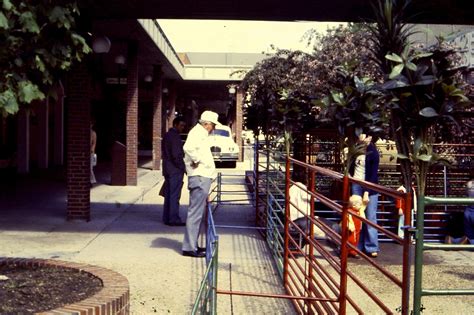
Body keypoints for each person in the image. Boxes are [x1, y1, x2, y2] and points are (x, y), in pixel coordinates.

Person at [181, 110, 219, 258]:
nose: (213, 128)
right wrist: (196, 160)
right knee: (195, 213)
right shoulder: (197, 133)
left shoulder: (199, 133)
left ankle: (192, 245)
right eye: (213, 125)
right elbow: (188, 148)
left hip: (202, 177)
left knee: (196, 213)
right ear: (207, 124)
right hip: (200, 176)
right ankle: (189, 247)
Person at [349, 133, 380, 258]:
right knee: (356, 215)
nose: (362, 138)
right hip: (356, 184)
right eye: (361, 135)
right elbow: (351, 166)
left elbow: (373, 174)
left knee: (370, 217)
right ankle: (357, 245)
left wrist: (367, 192)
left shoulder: (373, 152)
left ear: (370, 138)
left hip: (369, 187)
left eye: (366, 136)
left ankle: (372, 247)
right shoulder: (357, 149)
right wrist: (350, 177)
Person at [162, 117, 187, 226]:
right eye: (181, 125)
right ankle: (173, 218)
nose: (182, 128)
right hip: (175, 170)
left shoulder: (167, 135)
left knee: (168, 195)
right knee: (174, 195)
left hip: (167, 169)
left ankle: (167, 217)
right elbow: (176, 155)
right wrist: (183, 167)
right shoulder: (175, 137)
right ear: (175, 125)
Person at [445, 179, 474, 245]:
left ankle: (455, 241)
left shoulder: (469, 183)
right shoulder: (469, 183)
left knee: (470, 235)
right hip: (470, 211)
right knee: (470, 235)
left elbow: (466, 193)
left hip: (468, 211)